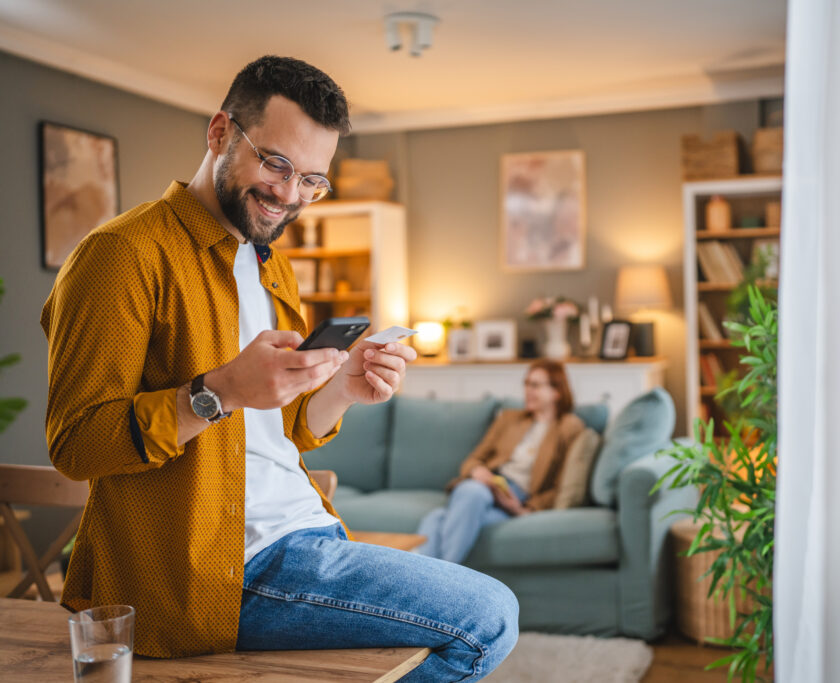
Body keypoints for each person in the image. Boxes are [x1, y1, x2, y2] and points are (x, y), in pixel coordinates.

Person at [41, 55, 517, 681]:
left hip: (310, 532)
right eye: (277, 163)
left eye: (313, 180)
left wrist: (342, 390)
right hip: (220, 569)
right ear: (220, 134)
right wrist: (215, 393)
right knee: (487, 616)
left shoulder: (270, 264)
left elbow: (282, 430)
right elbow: (77, 444)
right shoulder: (120, 257)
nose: (290, 196)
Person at [416, 360, 584, 563]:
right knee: (472, 491)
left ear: (556, 392)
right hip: (485, 485)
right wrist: (477, 472)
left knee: (436, 519)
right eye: (526, 384)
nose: (527, 390)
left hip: (514, 499)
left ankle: (429, 585)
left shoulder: (568, 428)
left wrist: (522, 509)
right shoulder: (509, 419)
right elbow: (474, 460)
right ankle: (446, 580)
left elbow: (561, 486)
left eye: (536, 385)